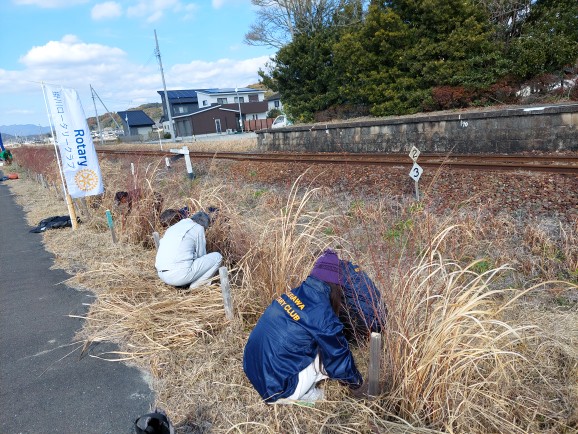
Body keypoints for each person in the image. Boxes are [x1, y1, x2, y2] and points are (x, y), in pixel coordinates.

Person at [243, 249, 367, 404]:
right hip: (277, 389)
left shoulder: (291, 294)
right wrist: (357, 384)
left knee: (314, 343)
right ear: (335, 287)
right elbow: (338, 358)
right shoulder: (322, 315)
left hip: (252, 367)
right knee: (326, 353)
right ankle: (306, 396)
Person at [155, 210, 222, 289]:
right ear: (204, 225)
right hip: (178, 276)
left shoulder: (172, 227)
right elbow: (201, 255)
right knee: (218, 257)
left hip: (162, 275)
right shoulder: (198, 227)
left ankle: (184, 282)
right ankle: (195, 286)